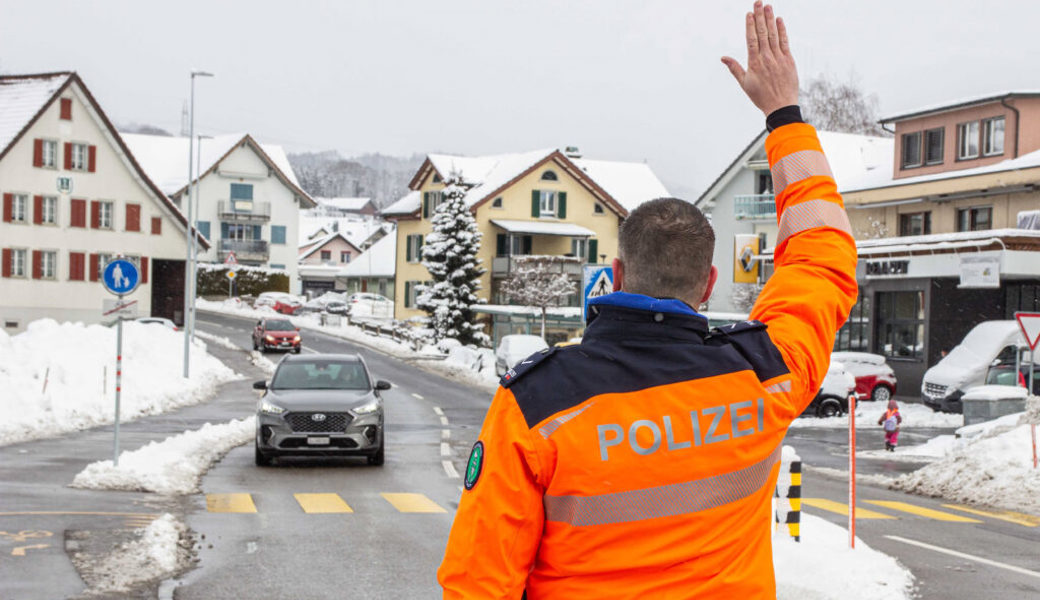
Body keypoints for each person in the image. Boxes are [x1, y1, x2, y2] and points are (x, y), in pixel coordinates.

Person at [437, 2, 858, 598]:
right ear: (708, 285)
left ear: (615, 274)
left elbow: (480, 582)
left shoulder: (536, 405)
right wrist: (783, 114)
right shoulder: (766, 376)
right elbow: (822, 254)